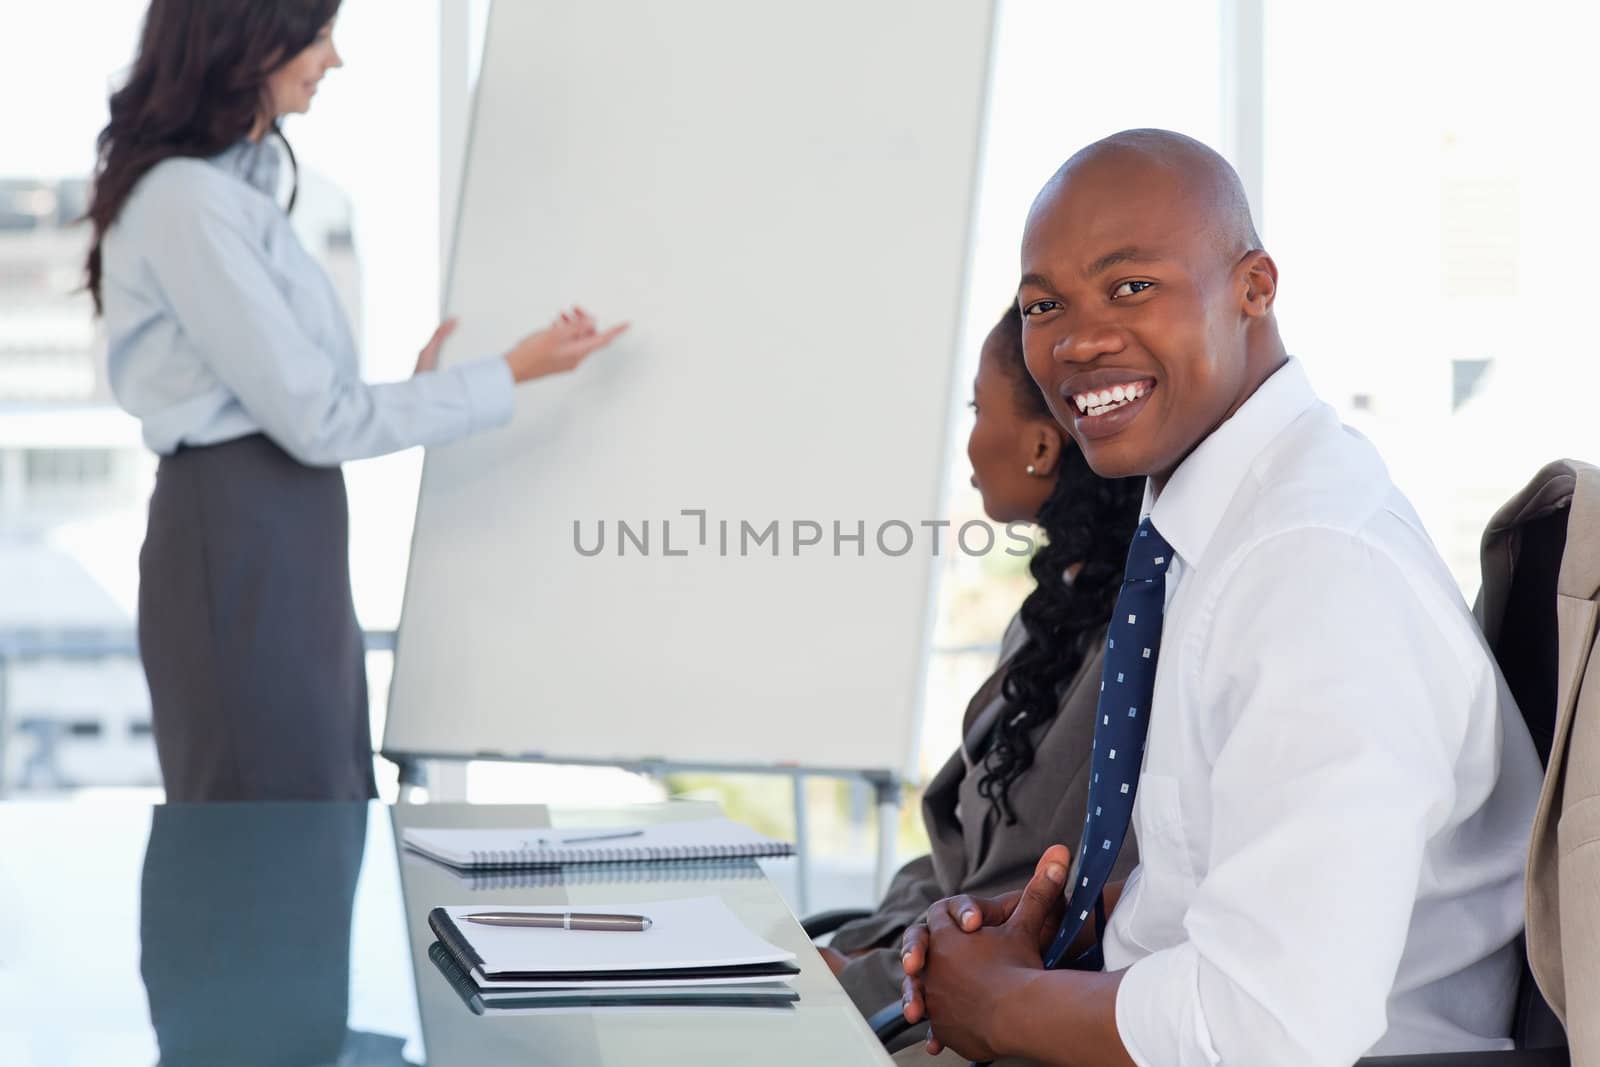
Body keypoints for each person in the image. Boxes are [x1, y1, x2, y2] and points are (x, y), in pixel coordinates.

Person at [898, 129, 1544, 1066]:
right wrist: (1066, 921)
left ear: (1255, 288)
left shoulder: (1315, 568)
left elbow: (1271, 1023)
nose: (1078, 339)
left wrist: (1002, 1008)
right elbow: (1246, 878)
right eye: (1045, 305)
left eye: (1131, 287)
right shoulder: (1217, 530)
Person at [84, 0, 626, 802]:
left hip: (280, 527)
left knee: (321, 804)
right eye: (318, 35)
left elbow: (308, 403)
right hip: (239, 530)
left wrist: (433, 388)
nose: (332, 60)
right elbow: (317, 417)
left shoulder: (230, 196)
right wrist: (507, 373)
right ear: (249, 38)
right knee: (271, 827)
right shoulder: (187, 203)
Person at [817, 306, 1144, 1018]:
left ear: (1039, 444)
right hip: (906, 975)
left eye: (975, 407)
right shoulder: (1054, 610)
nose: (966, 443)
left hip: (963, 1005)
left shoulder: (1135, 641)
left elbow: (1034, 889)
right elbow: (954, 865)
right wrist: (853, 953)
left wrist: (856, 977)